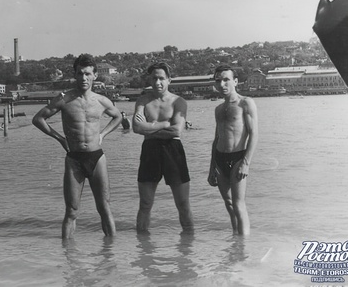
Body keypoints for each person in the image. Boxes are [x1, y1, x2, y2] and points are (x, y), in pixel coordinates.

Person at [32, 54, 122, 239]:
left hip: (97, 157)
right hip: (74, 159)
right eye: (80, 73)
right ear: (75, 74)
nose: (84, 78)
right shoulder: (64, 99)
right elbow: (38, 119)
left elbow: (118, 117)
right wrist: (60, 138)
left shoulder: (101, 101)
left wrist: (103, 134)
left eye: (88, 74)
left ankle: (111, 256)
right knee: (72, 210)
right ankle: (69, 259)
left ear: (95, 75)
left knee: (104, 208)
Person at [132, 62, 194, 233]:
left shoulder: (178, 102)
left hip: (173, 150)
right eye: (154, 78)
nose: (157, 82)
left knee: (182, 203)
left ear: (169, 80)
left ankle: (188, 249)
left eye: (161, 78)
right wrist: (165, 123)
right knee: (145, 203)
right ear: (149, 80)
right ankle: (142, 251)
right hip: (149, 151)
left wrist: (150, 127)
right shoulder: (143, 101)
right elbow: (136, 128)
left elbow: (176, 130)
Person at [207, 64, 258, 236]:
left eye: (226, 80)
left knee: (238, 204)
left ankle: (244, 249)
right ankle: (236, 241)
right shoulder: (218, 109)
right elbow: (216, 139)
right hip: (220, 159)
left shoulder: (246, 103)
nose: (222, 84)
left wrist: (246, 163)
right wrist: (211, 167)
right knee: (228, 204)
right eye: (218, 80)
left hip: (238, 158)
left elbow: (254, 135)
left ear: (235, 81)